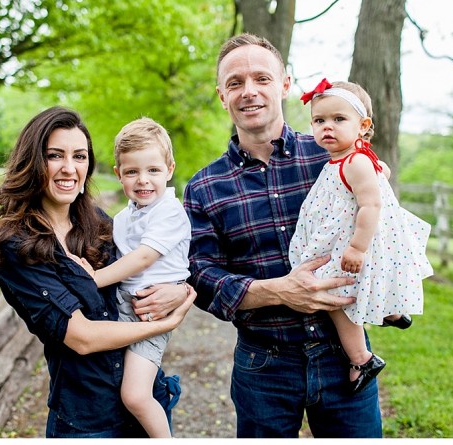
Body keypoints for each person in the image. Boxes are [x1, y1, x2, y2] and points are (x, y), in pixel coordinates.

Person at [183, 33, 382, 437]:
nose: (249, 91)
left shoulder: (334, 157)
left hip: (343, 358)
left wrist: (392, 303)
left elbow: (383, 226)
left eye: (262, 78)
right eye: (235, 83)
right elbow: (200, 277)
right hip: (263, 367)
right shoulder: (204, 187)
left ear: (285, 84)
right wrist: (278, 291)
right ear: (222, 95)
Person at [0, 106, 197, 437]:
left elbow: (156, 260)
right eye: (55, 156)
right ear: (33, 162)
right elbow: (82, 338)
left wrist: (179, 291)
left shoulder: (96, 222)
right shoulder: (17, 246)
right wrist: (167, 323)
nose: (69, 168)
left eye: (79, 157)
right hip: (90, 418)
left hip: (144, 397)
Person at [289, 78, 432, 393]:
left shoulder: (353, 162)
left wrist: (356, 249)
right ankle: (393, 313)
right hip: (348, 238)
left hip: (354, 243)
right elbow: (381, 173)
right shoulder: (349, 158)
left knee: (335, 300)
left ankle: (362, 359)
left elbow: (371, 205)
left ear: (363, 125)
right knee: (351, 289)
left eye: (339, 119)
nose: (328, 126)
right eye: (319, 120)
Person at [72, 118, 191, 438]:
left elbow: (143, 258)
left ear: (169, 169)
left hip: (150, 310)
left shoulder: (169, 211)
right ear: (118, 174)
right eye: (132, 172)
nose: (143, 180)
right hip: (123, 309)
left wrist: (93, 279)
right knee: (118, 384)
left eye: (153, 170)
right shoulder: (124, 217)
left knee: (135, 395)